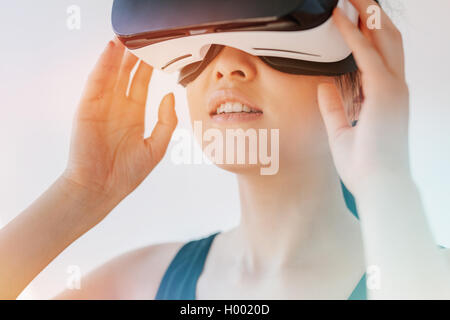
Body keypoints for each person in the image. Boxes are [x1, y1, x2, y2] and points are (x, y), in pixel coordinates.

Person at [1, 0, 449, 300]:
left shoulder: (430, 274)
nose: (228, 66)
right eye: (204, 39)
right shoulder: (134, 286)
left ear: (361, 85)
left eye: (269, 30)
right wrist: (80, 193)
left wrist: (386, 181)